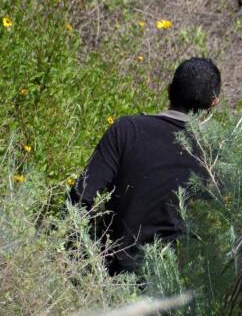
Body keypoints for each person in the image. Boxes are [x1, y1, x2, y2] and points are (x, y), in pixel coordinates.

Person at [70, 57, 222, 275]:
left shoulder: (126, 130)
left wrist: (82, 262)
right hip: (177, 292)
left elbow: (80, 197)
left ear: (169, 90)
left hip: (113, 280)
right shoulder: (214, 156)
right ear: (213, 104)